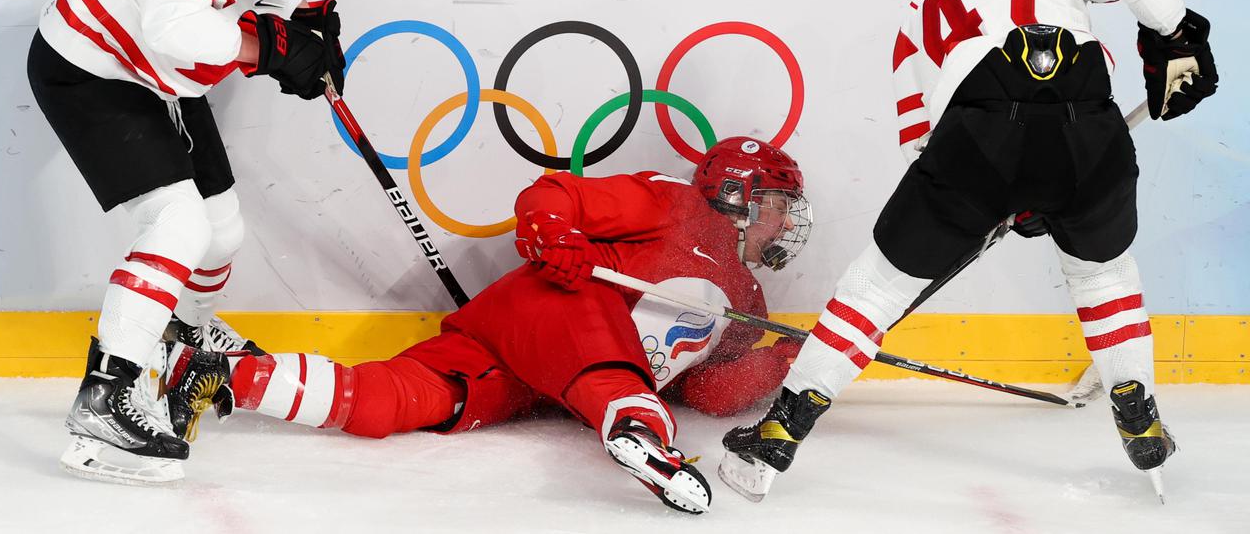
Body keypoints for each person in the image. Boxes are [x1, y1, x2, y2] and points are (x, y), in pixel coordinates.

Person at [719, 0, 1217, 502]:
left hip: (976, 142)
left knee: (873, 289)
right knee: (1105, 277)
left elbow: (922, 148)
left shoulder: (918, 13)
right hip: (1089, 129)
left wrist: (995, 198)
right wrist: (1174, 32)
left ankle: (778, 437)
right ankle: (1138, 410)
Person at [27, 0, 399, 484]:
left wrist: (304, 20)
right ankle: (104, 399)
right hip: (90, 62)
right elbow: (170, 25)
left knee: (222, 232)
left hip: (143, 65)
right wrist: (272, 50)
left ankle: (182, 341)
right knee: (180, 225)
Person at [162, 138, 814, 513]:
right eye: (779, 205)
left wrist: (791, 361)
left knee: (398, 397)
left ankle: (220, 376)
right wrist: (553, 232)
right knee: (597, 332)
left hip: (533, 375)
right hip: (549, 305)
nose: (787, 223)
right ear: (738, 195)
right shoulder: (674, 204)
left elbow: (709, 391)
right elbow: (555, 195)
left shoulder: (744, 294)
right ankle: (644, 437)